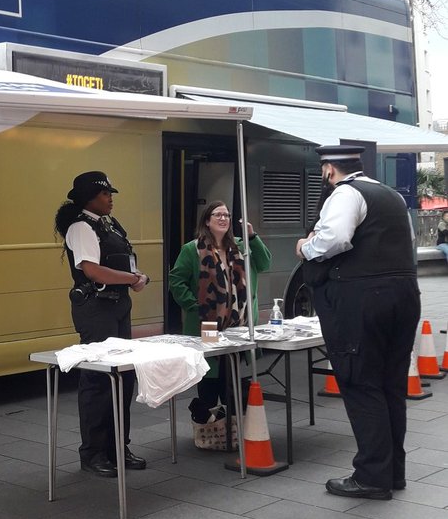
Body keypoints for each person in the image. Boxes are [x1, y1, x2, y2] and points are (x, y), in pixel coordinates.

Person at [296, 145, 420, 500]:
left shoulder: (346, 193)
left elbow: (335, 238)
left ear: (328, 170)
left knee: (361, 382)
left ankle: (371, 476)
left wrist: (306, 246)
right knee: (391, 384)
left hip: (363, 298)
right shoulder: (391, 195)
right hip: (404, 293)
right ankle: (393, 471)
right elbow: (406, 243)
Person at [54, 171, 149, 477]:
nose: (110, 199)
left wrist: (133, 278)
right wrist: (134, 279)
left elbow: (122, 260)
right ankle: (93, 453)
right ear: (89, 198)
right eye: (106, 194)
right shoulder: (81, 227)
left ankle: (118, 447)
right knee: (98, 381)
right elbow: (94, 271)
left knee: (123, 377)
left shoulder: (109, 224)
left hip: (117, 306)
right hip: (96, 310)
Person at [168, 201, 271, 429]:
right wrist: (193, 305)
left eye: (226, 215)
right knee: (210, 375)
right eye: (218, 215)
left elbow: (264, 263)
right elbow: (176, 280)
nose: (223, 219)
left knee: (232, 373)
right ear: (207, 220)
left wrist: (253, 236)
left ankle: (230, 428)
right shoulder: (192, 249)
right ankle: (209, 425)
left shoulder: (242, 246)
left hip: (238, 324)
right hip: (208, 324)